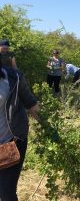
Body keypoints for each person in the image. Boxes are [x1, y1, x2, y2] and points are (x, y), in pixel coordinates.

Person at [0, 55, 40, 200]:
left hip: (11, 143)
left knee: (6, 193)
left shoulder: (13, 77)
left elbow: (31, 103)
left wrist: (50, 129)